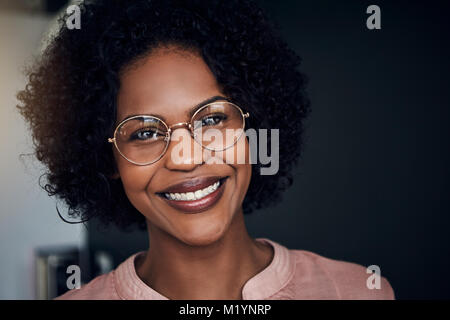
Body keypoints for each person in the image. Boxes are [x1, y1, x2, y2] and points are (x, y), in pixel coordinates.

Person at [17, 0, 394, 300]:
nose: (186, 158)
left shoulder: (357, 292)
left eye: (211, 120)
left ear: (253, 128)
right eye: (146, 133)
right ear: (107, 159)